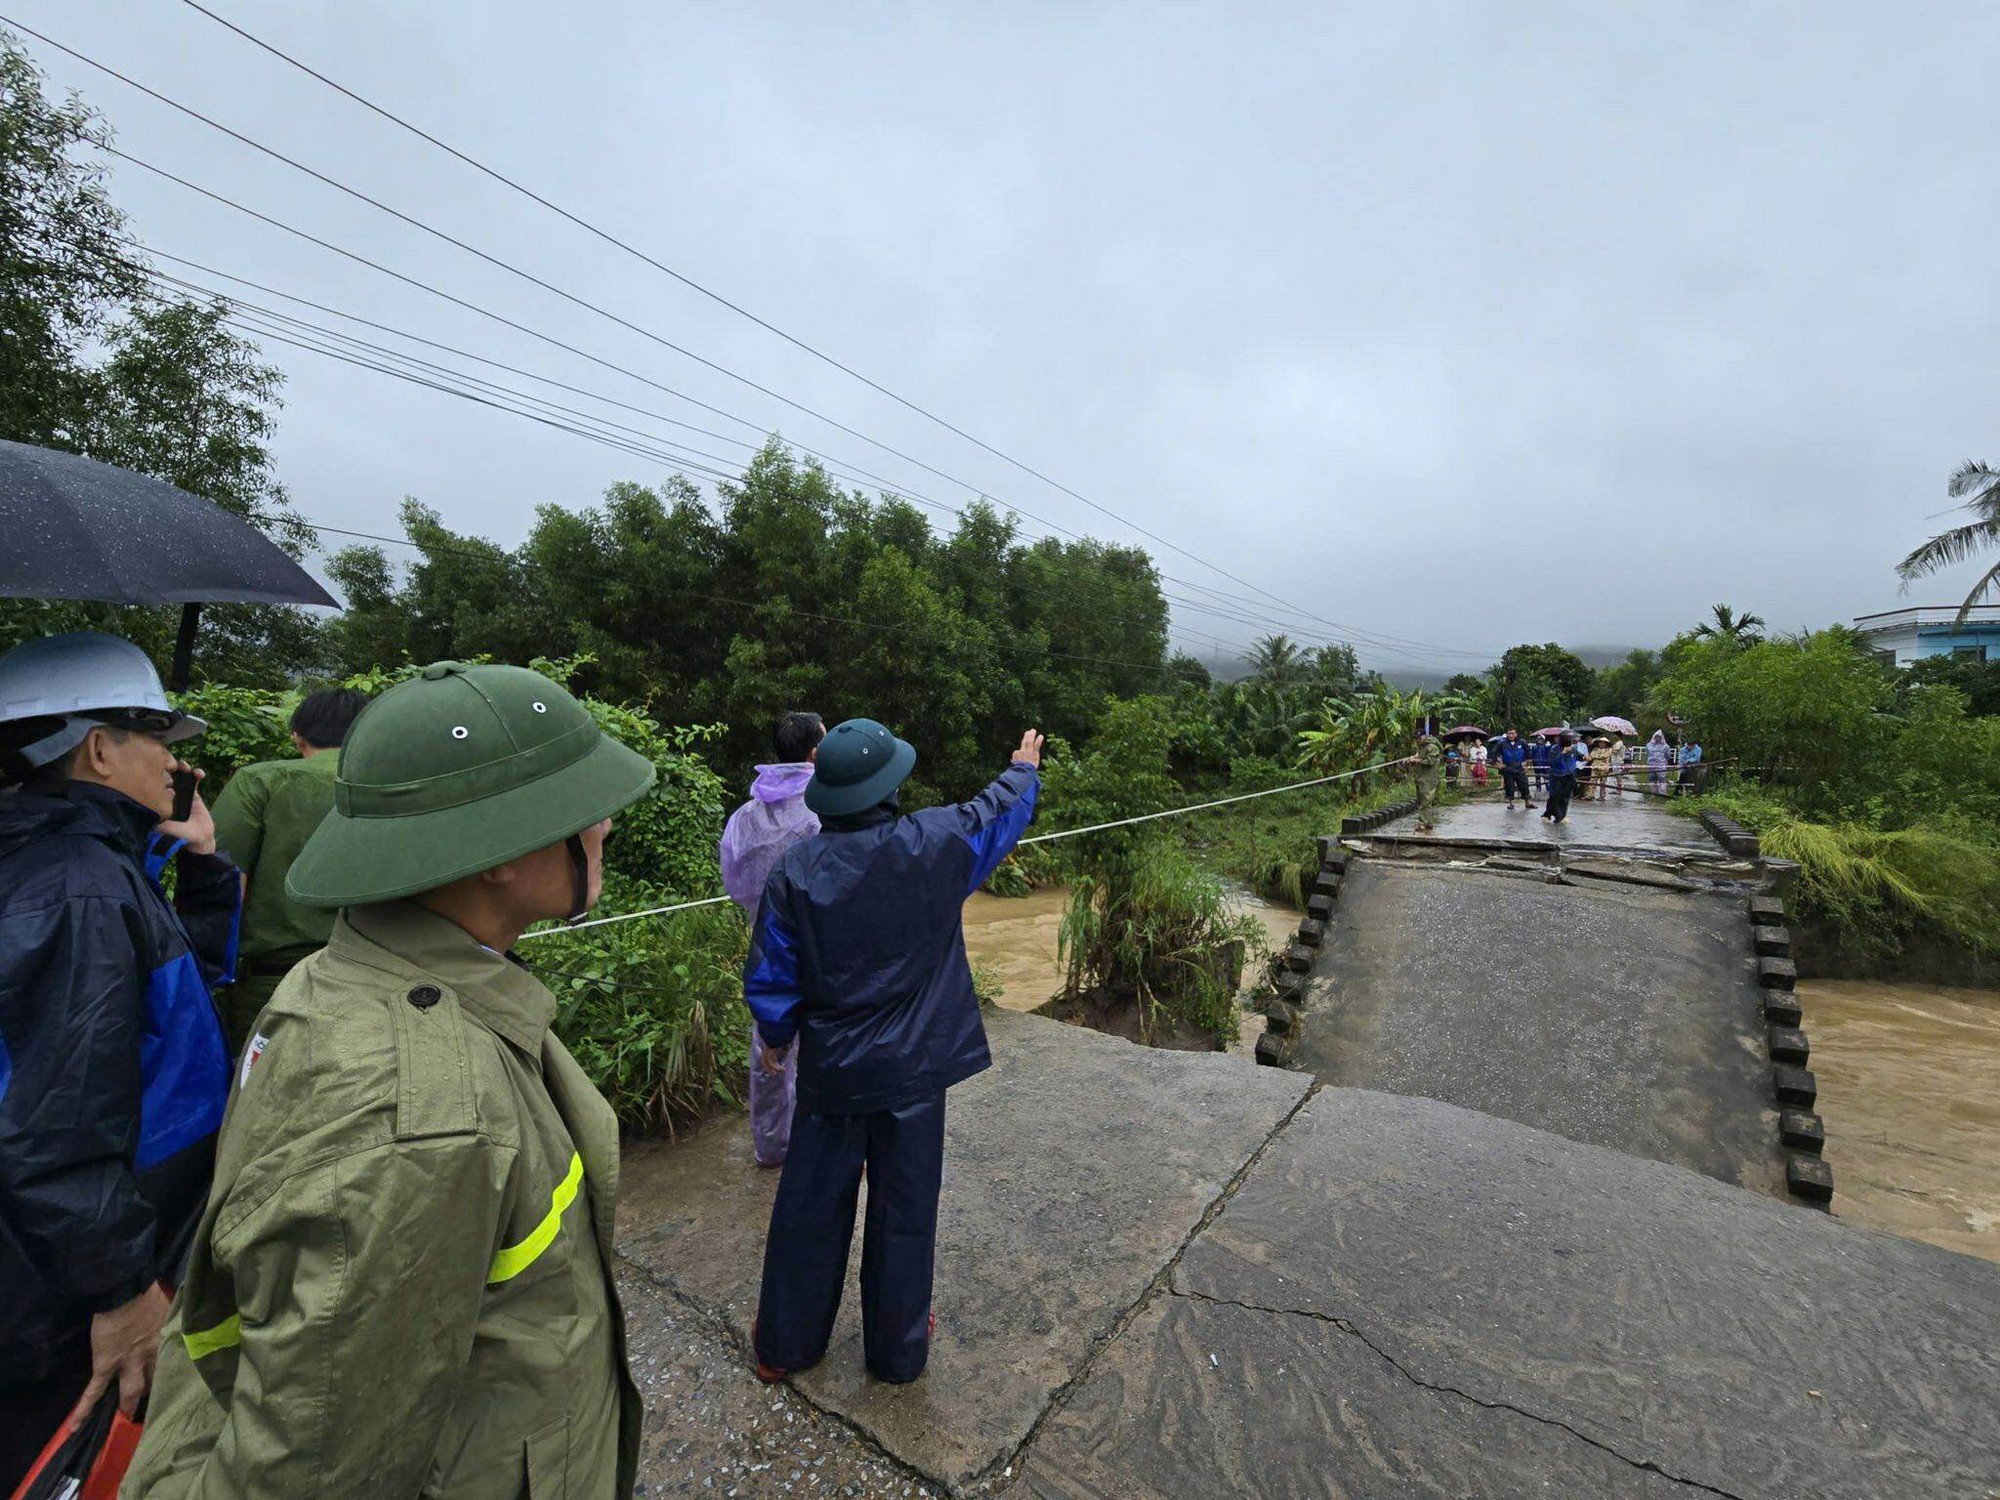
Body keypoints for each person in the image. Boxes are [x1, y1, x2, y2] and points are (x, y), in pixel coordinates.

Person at [124, 661, 655, 1497]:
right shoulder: (420, 1115)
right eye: (581, 810)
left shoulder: (338, 977)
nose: (607, 827)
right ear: (501, 853)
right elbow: (307, 1464)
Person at [0, 632, 239, 1491]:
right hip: (68, 1297)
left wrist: (204, 870)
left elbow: (163, 1020)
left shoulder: (78, 868)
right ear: (100, 748)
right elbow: (57, 1120)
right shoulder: (79, 889)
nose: (179, 768)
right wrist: (120, 1290)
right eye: (163, 744)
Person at [745, 719, 1042, 1386]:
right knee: (906, 1211)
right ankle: (897, 1351)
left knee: (810, 1210)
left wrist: (775, 1037)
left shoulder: (796, 870)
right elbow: (994, 813)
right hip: (913, 1073)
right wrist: (1023, 769)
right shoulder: (935, 843)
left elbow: (774, 969)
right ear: (888, 787)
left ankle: (785, 1346)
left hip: (833, 1077)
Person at [208, 688, 369, 1053]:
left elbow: (226, 890)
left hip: (274, 990)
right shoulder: (396, 786)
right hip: (380, 985)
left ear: (297, 734)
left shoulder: (259, 782)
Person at [720, 710, 826, 1167]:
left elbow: (734, 877)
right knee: (824, 1043)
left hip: (764, 941)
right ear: (815, 752)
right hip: (821, 944)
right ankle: (823, 1143)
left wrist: (761, 914)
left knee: (769, 1042)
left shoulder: (747, 813)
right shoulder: (825, 807)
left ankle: (771, 1145)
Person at [1412, 723, 1445, 832]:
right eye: (1416, 738)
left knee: (1426, 802)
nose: (1418, 740)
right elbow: (1419, 758)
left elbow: (1429, 762)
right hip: (1421, 778)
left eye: (1419, 738)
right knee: (1422, 801)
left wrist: (1416, 760)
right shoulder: (1421, 747)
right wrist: (1411, 759)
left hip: (1429, 779)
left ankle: (1423, 823)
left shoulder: (1432, 747)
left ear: (1424, 736)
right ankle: (1428, 822)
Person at [1542, 732, 1581, 824]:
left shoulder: (1573, 749)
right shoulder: (1554, 748)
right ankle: (1548, 814)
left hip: (1569, 775)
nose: (1572, 741)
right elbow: (1553, 761)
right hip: (1557, 775)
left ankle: (1560, 816)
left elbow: (1578, 756)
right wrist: (1563, 752)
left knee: (1565, 797)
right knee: (1554, 796)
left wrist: (1585, 756)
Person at [1495, 727, 1535, 810]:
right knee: (1509, 786)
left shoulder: (1522, 742)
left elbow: (1528, 753)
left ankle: (1527, 803)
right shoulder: (1502, 743)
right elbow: (1494, 754)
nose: (1511, 735)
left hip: (1519, 768)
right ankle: (1510, 804)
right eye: (1509, 733)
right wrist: (1498, 764)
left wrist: (1525, 762)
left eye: (1512, 733)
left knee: (1524, 785)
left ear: (1516, 734)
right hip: (1508, 768)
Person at [1647, 729, 1672, 796]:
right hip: (1651, 765)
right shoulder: (1649, 745)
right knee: (1652, 779)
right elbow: (1648, 753)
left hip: (1661, 765)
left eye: (1659, 736)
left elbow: (1668, 755)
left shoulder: (1666, 746)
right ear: (1654, 737)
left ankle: (1662, 794)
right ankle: (1653, 793)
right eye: (1656, 736)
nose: (1657, 738)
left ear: (1661, 737)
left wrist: (1664, 761)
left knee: (1662, 779)